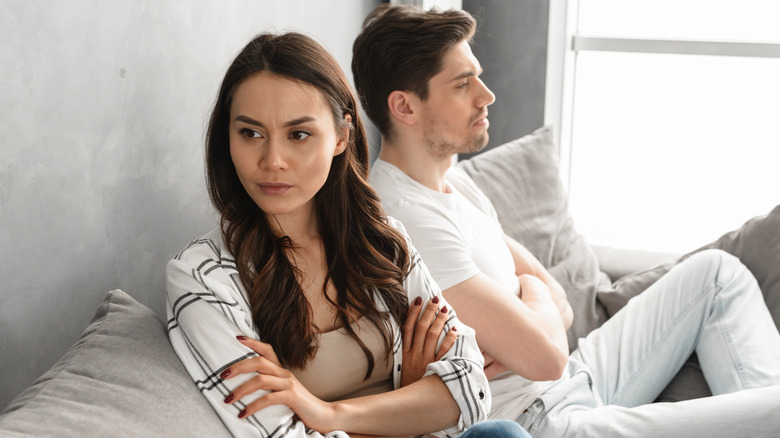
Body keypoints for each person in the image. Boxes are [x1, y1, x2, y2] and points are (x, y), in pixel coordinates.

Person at [352, 4, 780, 437]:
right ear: (405, 107)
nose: (486, 95)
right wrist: (534, 314)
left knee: (718, 274)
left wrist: (531, 299)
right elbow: (545, 355)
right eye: (463, 84)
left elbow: (553, 295)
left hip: (573, 377)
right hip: (540, 421)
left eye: (477, 76)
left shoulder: (455, 184)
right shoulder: (405, 220)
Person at [165, 31, 535, 438]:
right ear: (227, 138)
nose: (272, 161)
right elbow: (279, 435)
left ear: (341, 137)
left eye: (298, 134)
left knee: (501, 434)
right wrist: (409, 401)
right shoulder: (203, 278)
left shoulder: (384, 242)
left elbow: (471, 389)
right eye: (250, 133)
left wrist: (326, 413)